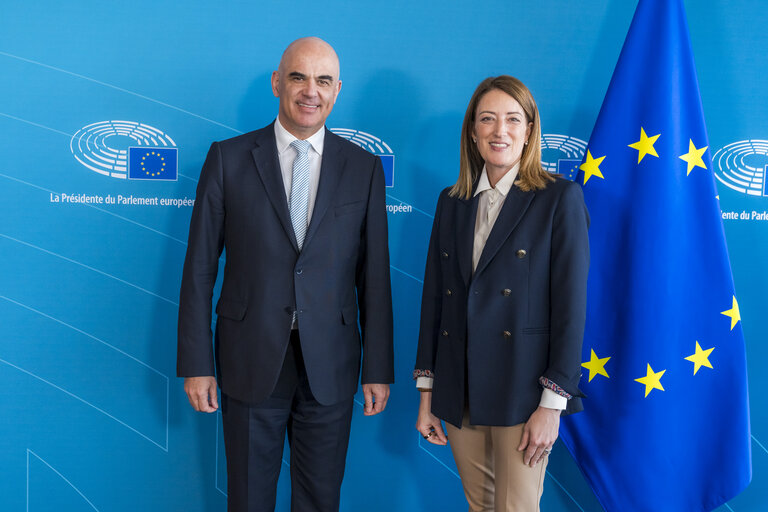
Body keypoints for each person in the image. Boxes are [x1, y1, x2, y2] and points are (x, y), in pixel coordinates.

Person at [177, 37, 394, 512]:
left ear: (337, 90)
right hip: (249, 357)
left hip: (331, 366)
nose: (309, 91)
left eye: (322, 80)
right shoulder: (227, 158)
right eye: (298, 77)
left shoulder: (364, 169)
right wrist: (196, 362)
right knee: (249, 499)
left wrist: (378, 367)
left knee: (320, 500)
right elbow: (198, 269)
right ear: (277, 83)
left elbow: (374, 276)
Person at [413, 75, 589, 512]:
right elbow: (437, 301)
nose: (500, 130)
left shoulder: (557, 198)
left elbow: (571, 309)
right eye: (487, 119)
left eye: (513, 119)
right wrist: (427, 395)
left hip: (524, 391)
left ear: (529, 130)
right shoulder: (452, 202)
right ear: (472, 131)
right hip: (461, 388)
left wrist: (553, 404)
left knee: (516, 509)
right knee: (481, 506)